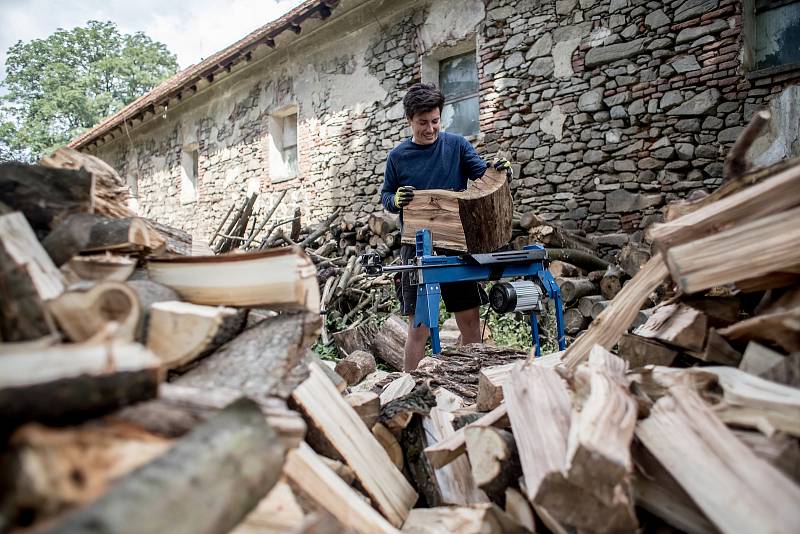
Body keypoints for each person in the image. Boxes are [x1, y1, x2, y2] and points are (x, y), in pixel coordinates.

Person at [380, 82, 506, 371]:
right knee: (419, 327)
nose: (430, 128)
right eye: (422, 123)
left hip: (456, 245)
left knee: (470, 322)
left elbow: (483, 176)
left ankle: (474, 381)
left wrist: (497, 169)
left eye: (435, 121)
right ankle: (409, 387)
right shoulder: (397, 157)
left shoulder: (457, 146)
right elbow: (386, 196)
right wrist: (395, 200)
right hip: (416, 248)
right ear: (409, 120)